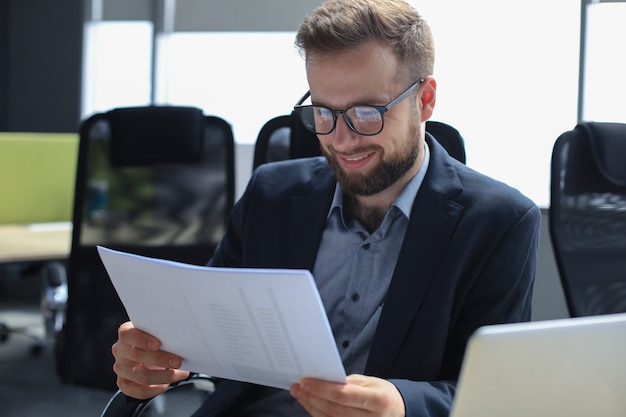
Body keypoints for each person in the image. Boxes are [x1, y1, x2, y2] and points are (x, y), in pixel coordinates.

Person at [111, 0, 541, 416]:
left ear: (425, 100)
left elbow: (492, 394)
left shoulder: (499, 221)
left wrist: (402, 405)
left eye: (367, 113)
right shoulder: (272, 194)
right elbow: (208, 340)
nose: (342, 140)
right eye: (323, 112)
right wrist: (154, 361)